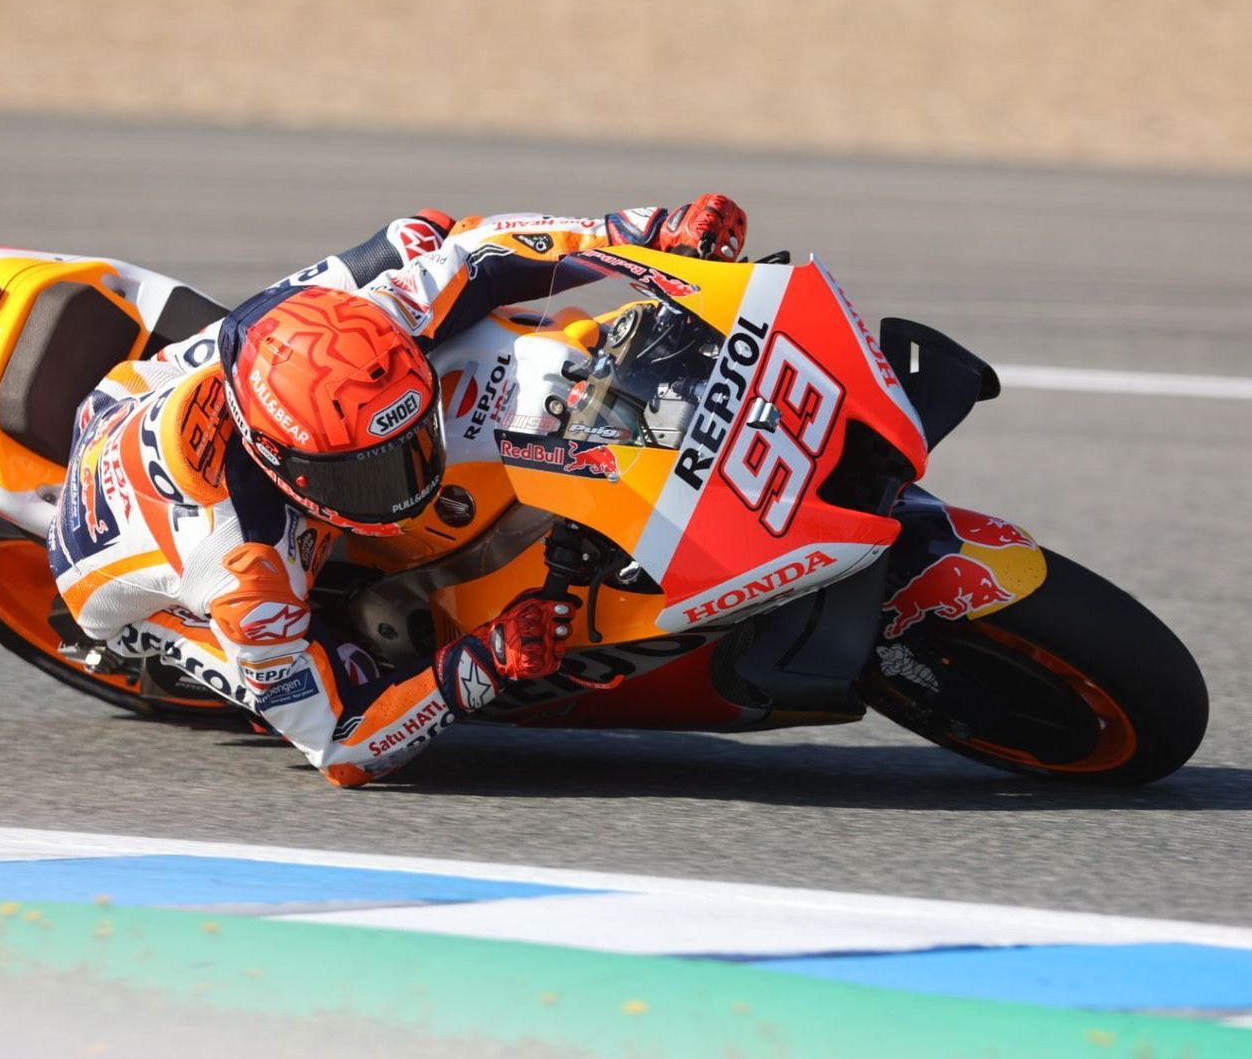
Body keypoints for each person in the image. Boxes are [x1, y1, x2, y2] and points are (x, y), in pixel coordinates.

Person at [46, 195, 748, 786]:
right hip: (112, 572)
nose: (410, 476)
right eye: (368, 472)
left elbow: (482, 254)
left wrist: (648, 235)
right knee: (354, 664)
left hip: (148, 386)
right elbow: (342, 745)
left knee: (424, 235)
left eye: (413, 442)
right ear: (282, 465)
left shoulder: (371, 322)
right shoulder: (244, 572)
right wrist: (481, 661)